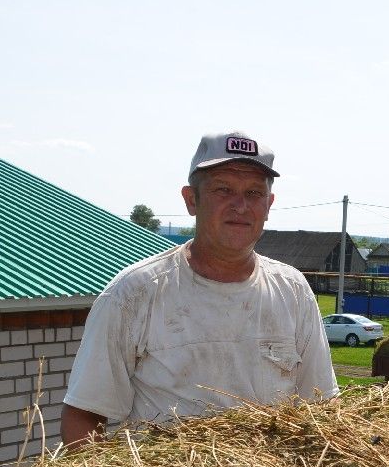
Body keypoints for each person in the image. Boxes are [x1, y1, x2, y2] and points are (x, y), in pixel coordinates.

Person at [61, 131, 338, 447]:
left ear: (269, 204)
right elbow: (83, 417)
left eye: (254, 193)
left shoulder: (292, 291)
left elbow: (322, 409)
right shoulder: (133, 294)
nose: (241, 205)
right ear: (192, 200)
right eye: (223, 189)